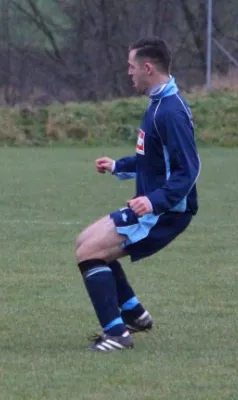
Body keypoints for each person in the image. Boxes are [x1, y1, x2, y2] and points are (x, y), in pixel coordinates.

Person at [75, 36, 201, 352]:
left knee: (89, 252)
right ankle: (134, 314)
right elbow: (153, 161)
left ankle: (117, 335)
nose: (128, 72)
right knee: (85, 243)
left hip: (165, 212)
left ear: (147, 68)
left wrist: (155, 201)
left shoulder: (170, 111)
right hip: (152, 206)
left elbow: (189, 169)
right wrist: (118, 166)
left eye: (131, 67)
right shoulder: (159, 103)